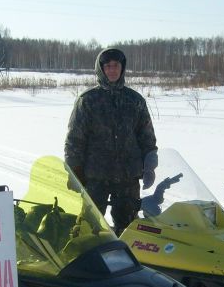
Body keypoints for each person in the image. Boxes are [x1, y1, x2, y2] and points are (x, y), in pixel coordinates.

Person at [64, 47, 158, 236]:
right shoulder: (88, 101)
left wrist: (149, 164)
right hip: (95, 176)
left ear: (122, 68)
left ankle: (127, 255)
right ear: (101, 69)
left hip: (128, 177)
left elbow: (146, 136)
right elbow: (74, 140)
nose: (112, 70)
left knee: (129, 229)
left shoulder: (135, 100)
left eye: (116, 65)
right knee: (89, 227)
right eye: (107, 66)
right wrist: (75, 172)